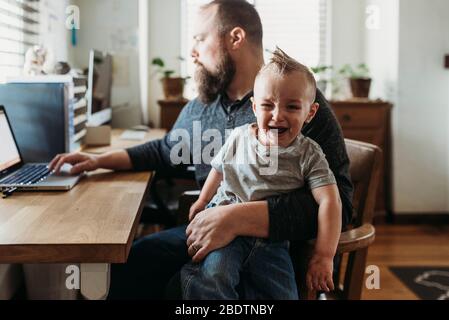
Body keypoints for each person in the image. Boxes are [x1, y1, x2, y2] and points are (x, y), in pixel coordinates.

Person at [49, 0, 353, 299]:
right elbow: (164, 151)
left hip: (276, 247)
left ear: (235, 38)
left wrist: (237, 218)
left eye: (199, 39)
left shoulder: (296, 108)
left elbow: (341, 202)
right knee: (131, 264)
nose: (192, 52)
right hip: (211, 230)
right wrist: (97, 160)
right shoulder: (202, 106)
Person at [181, 48, 342, 300]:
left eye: (292, 106)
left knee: (285, 295)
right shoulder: (239, 137)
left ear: (310, 113)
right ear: (255, 107)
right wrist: (202, 201)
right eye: (268, 105)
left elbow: (330, 200)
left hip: (272, 240)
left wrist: (324, 255)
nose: (278, 115)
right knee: (214, 279)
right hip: (223, 230)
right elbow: (218, 169)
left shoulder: (309, 154)